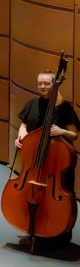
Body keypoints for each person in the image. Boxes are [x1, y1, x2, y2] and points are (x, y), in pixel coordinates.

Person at [14, 69, 80, 247]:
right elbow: (24, 125)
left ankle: (61, 232)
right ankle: (35, 226)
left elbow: (74, 135)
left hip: (57, 162)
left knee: (64, 194)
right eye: (40, 84)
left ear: (54, 84)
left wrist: (61, 131)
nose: (43, 87)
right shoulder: (32, 104)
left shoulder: (64, 109)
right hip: (35, 163)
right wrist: (21, 138)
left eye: (47, 84)